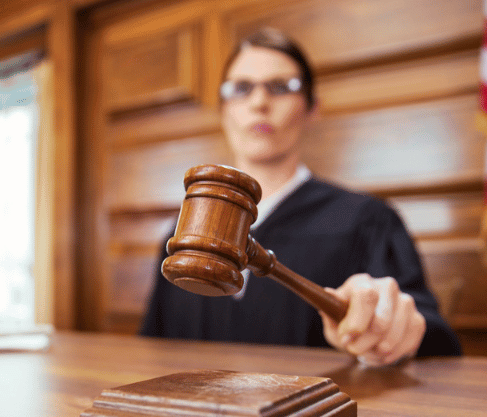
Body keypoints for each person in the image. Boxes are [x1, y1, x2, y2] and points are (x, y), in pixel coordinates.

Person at [140, 28, 461, 364]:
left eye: (281, 87)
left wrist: (390, 325)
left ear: (312, 108)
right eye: (241, 88)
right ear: (223, 110)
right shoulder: (183, 234)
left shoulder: (366, 219)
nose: (259, 102)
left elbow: (429, 340)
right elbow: (155, 350)